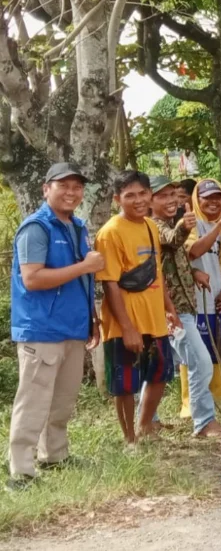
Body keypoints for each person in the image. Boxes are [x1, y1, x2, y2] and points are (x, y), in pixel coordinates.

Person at [7, 163, 102, 491]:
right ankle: (21, 470)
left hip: (72, 327)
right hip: (41, 329)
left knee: (63, 399)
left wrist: (91, 319)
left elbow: (82, 280)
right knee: (33, 400)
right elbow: (32, 279)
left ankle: (55, 456)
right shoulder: (36, 228)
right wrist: (83, 266)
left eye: (77, 187)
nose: (72, 192)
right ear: (46, 189)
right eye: (64, 186)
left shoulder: (77, 226)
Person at [95, 171, 182, 444]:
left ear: (150, 195)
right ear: (117, 199)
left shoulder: (150, 226)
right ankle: (130, 439)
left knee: (160, 372)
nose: (138, 200)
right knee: (125, 384)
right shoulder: (110, 233)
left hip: (154, 317)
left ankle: (145, 426)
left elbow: (156, 271)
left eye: (143, 193)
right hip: (125, 321)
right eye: (130, 195)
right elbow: (110, 283)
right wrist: (127, 328)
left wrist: (168, 307)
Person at [150, 176, 221, 438]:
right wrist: (185, 225)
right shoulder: (154, 225)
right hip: (171, 309)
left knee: (158, 366)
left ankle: (148, 420)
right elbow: (172, 240)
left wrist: (194, 273)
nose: (170, 200)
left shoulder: (165, 223)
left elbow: (173, 259)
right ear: (149, 201)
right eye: (162, 196)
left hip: (180, 306)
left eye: (173, 194)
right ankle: (204, 422)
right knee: (201, 363)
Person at [187, 178, 221, 414]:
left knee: (218, 351)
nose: (214, 202)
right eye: (207, 198)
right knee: (198, 356)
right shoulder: (191, 224)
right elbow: (193, 251)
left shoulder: (217, 228)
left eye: (218, 197)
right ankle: (191, 403)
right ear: (197, 200)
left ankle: (219, 397)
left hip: (216, 300)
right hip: (196, 302)